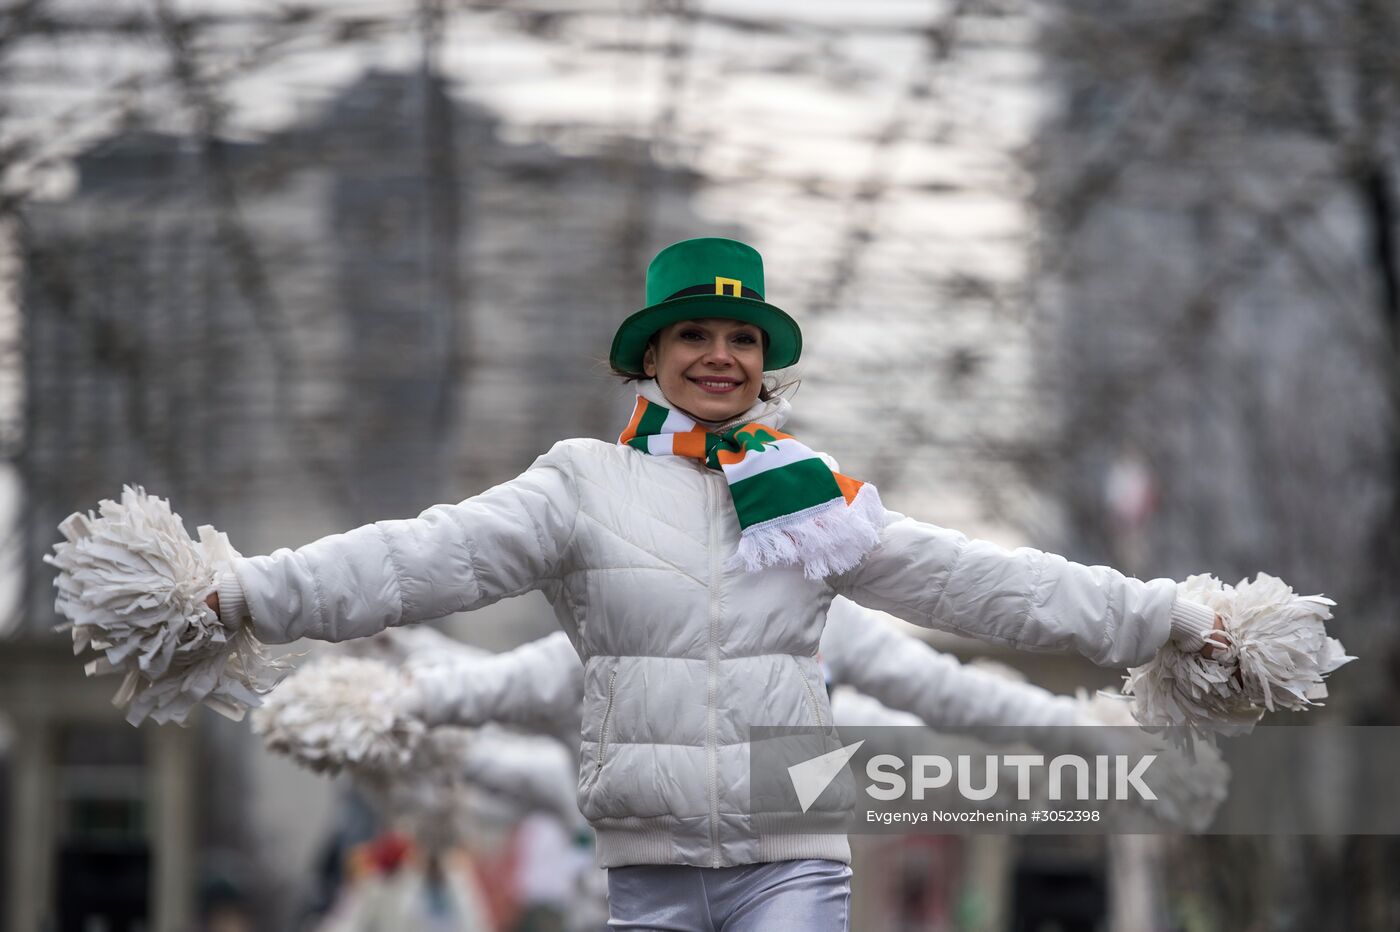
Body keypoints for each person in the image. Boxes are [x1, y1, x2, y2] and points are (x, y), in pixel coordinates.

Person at [207, 237, 1226, 931]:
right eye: (693, 333)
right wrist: (248, 594)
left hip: (791, 857)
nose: (718, 355)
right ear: (650, 354)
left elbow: (979, 585)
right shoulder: (579, 486)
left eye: (740, 339)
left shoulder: (817, 504)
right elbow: (426, 555)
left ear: (763, 366)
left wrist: (1159, 616)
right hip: (643, 871)